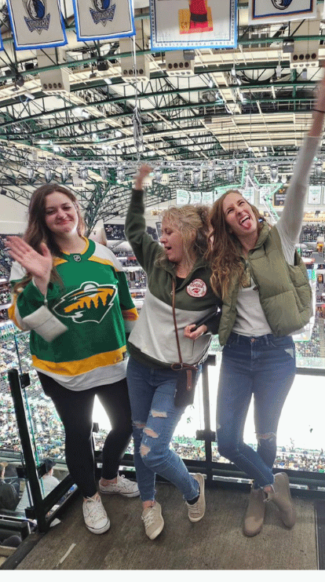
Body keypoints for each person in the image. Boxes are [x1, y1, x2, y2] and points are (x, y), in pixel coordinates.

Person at [208, 66, 325, 537]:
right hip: (237, 354)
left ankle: (257, 495)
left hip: (276, 354)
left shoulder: (282, 239)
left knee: (266, 434)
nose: (239, 211)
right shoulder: (221, 260)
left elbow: (300, 182)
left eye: (241, 204)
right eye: (229, 210)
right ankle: (272, 483)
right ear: (224, 224)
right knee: (227, 439)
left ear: (253, 209)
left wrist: (319, 111)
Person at [6, 183, 139, 535]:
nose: (61, 215)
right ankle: (90, 495)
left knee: (126, 424)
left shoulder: (104, 256)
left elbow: (125, 307)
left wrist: (137, 347)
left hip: (114, 364)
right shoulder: (31, 260)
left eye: (66, 207)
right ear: (42, 218)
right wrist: (41, 280)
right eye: (51, 211)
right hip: (63, 371)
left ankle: (108, 478)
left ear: (77, 208)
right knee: (78, 434)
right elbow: (21, 321)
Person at [124, 164, 221, 539]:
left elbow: (229, 310)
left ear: (190, 234)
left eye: (168, 232)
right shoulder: (156, 261)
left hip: (176, 374)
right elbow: (134, 229)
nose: (161, 238)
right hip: (139, 367)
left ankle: (192, 489)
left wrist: (209, 324)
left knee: (153, 450)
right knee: (139, 439)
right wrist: (137, 187)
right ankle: (148, 505)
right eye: (160, 231)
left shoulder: (215, 273)